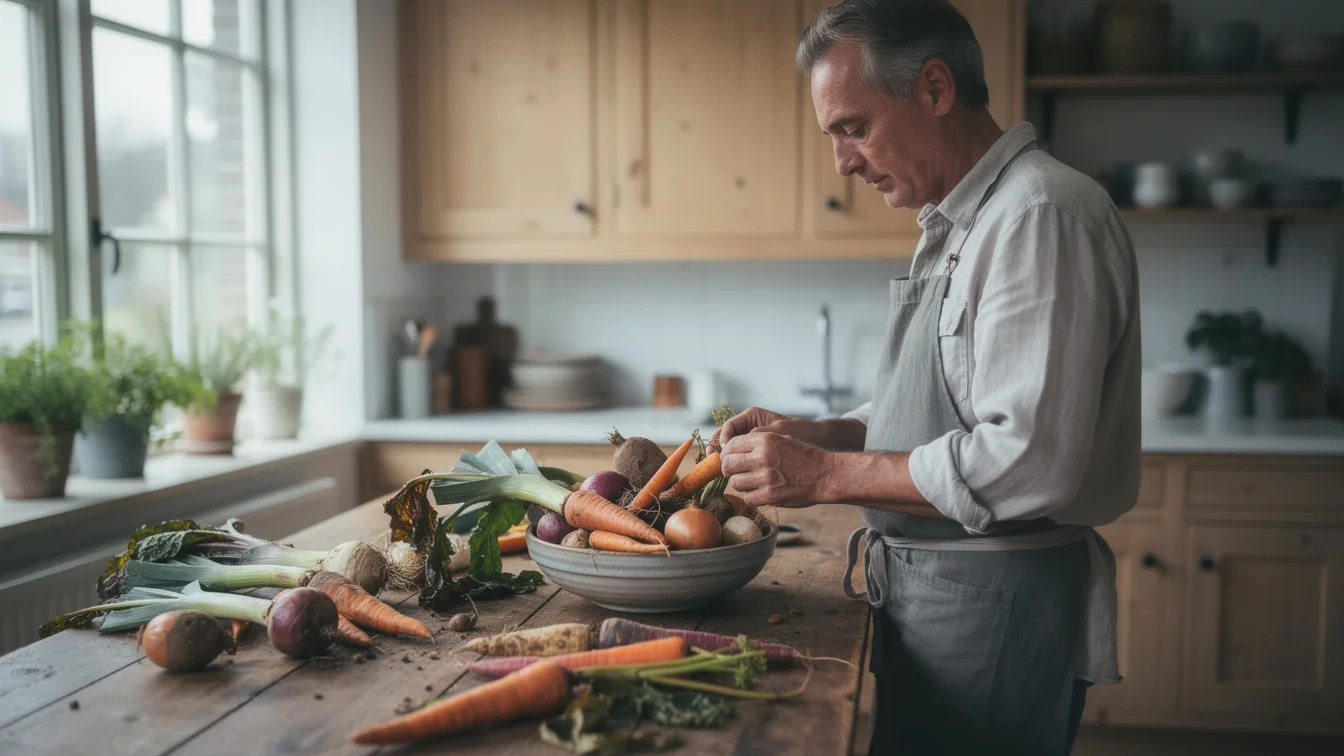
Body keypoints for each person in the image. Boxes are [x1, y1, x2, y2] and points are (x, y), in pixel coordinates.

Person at [710, 1, 1141, 753]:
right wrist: (819, 433)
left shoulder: (1039, 216)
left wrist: (825, 474)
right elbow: (947, 402)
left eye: (853, 127)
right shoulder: (965, 220)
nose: (843, 162)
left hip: (994, 607)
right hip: (945, 599)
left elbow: (1027, 461)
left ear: (936, 89)